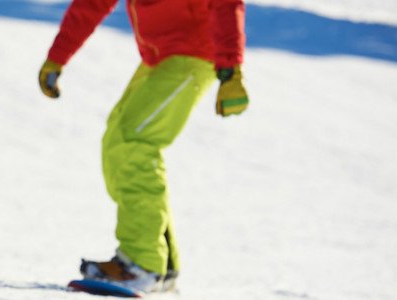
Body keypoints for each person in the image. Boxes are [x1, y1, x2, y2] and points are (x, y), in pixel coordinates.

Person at [37, 0, 250, 293]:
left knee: (134, 142)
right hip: (159, 58)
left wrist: (231, 70)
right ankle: (162, 264)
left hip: (192, 55)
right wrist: (58, 56)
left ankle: (142, 264)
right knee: (118, 141)